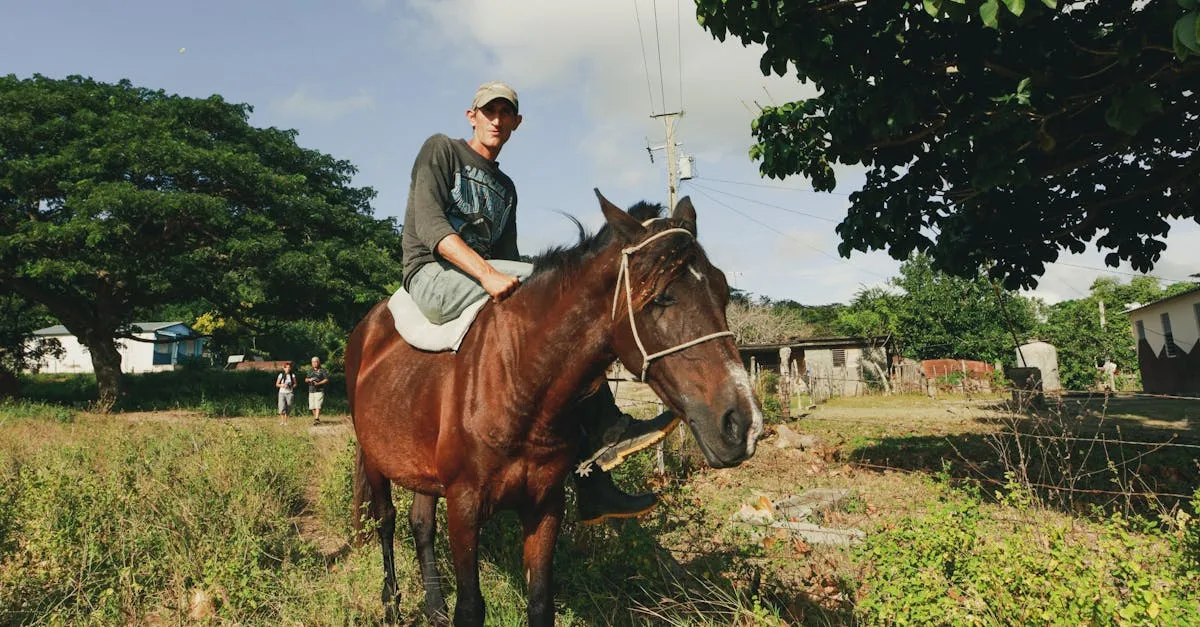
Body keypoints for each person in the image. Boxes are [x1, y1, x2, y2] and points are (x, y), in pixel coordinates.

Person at [400, 81, 678, 524]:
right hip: (433, 274)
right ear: (471, 116)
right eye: (487, 111)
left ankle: (592, 477)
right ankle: (608, 426)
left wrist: (519, 281)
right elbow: (431, 227)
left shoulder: (505, 187)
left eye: (504, 113)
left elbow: (509, 256)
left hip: (484, 275)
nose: (495, 119)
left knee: (562, 313)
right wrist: (490, 275)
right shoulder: (441, 151)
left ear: (516, 122)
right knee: (563, 299)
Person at [305, 356, 330, 426]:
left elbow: (326, 379)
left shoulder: (323, 370)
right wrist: (309, 380)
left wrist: (318, 383)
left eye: (315, 362)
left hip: (319, 390)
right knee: (312, 406)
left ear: (318, 362)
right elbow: (306, 379)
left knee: (318, 405)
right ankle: (316, 419)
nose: (314, 363)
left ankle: (316, 419)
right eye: (312, 362)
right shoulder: (310, 371)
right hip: (311, 390)